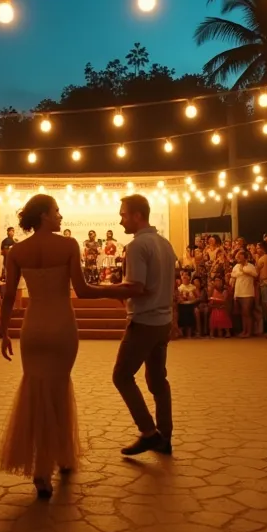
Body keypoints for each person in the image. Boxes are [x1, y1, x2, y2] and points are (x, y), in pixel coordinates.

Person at [0, 194, 113, 498]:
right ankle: (56, 460)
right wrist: (118, 291)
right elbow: (83, 290)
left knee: (35, 390)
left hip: (33, 328)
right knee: (59, 389)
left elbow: (8, 296)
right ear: (44, 216)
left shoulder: (17, 251)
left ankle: (45, 469)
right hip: (62, 325)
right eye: (57, 211)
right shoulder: (68, 245)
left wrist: (4, 331)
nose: (61, 216)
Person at [93, 195, 177, 456]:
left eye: (124, 215)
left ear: (138, 215)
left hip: (144, 321)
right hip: (162, 320)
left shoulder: (138, 245)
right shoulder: (164, 243)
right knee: (157, 379)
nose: (121, 221)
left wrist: (99, 291)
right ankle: (164, 436)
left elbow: (136, 287)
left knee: (121, 376)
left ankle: (149, 432)